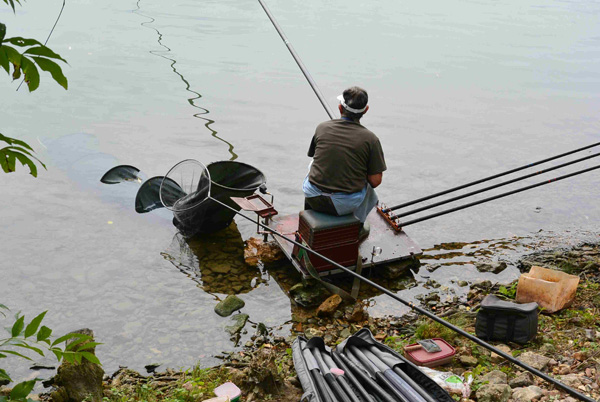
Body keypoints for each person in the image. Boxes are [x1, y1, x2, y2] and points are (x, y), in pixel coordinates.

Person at [302, 86, 386, 230]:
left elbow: (317, 156)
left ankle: (309, 215)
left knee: (313, 164)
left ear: (340, 108)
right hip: (343, 206)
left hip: (313, 197)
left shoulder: (322, 127)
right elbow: (376, 181)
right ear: (366, 110)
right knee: (369, 190)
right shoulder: (371, 139)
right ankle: (357, 227)